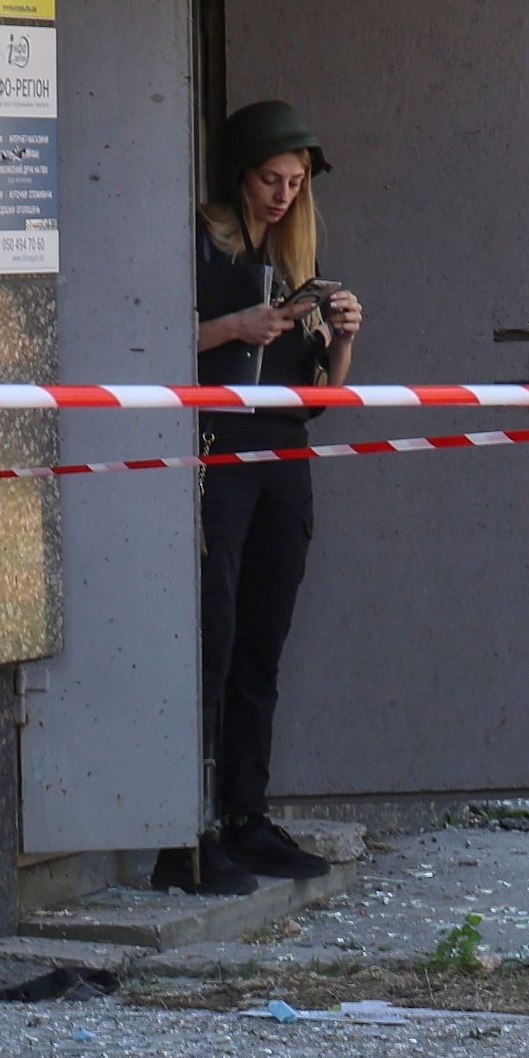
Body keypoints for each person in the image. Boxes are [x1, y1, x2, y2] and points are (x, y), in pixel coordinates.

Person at [175, 100, 363, 892]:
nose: (283, 195)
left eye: (295, 182)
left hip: (284, 455)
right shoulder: (198, 239)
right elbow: (144, 338)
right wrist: (231, 328)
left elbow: (322, 395)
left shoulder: (296, 260)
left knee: (262, 642)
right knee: (211, 641)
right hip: (219, 455)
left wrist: (344, 332)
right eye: (270, 179)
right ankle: (191, 826)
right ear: (239, 175)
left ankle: (247, 814)